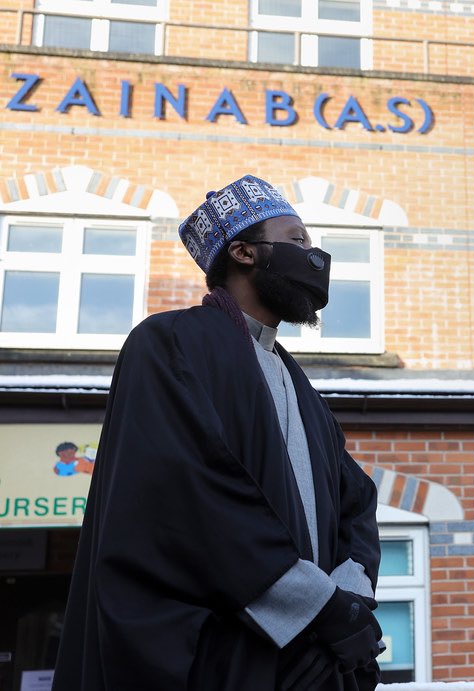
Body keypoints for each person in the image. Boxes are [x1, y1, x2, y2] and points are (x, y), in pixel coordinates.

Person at [54, 175, 384, 691]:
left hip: (313, 664)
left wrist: (349, 600)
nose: (313, 256)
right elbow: (190, 496)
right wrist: (317, 607)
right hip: (224, 661)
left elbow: (355, 501)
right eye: (296, 240)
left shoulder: (298, 383)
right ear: (244, 252)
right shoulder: (166, 344)